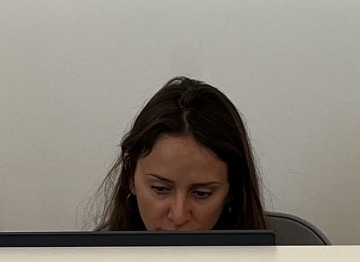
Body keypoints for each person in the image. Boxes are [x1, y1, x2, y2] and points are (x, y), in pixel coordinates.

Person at [97, 76, 268, 233]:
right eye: (160, 189)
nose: (179, 216)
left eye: (201, 193)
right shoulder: (96, 255)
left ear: (232, 190)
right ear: (130, 174)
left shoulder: (280, 253)